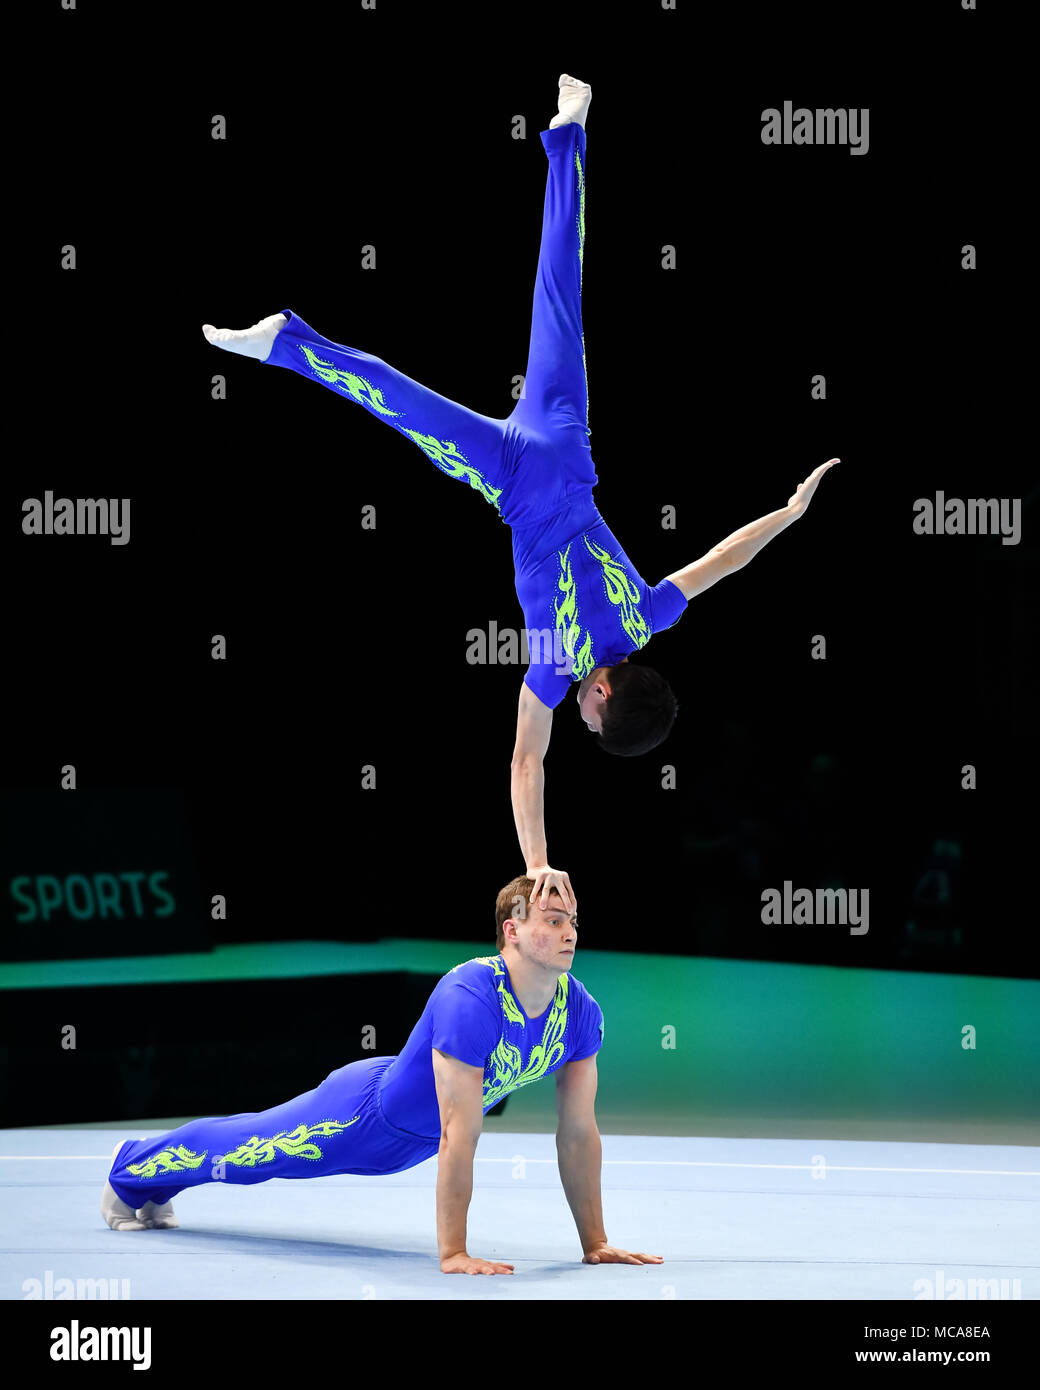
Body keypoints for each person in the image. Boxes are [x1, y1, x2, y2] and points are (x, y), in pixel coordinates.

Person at [202, 74, 838, 916]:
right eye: (594, 722)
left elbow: (724, 560)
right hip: (510, 470)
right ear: (605, 696)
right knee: (397, 401)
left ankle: (569, 131)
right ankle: (284, 343)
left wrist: (788, 517)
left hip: (565, 440)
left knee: (560, 283)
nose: (580, 719)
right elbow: (524, 766)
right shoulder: (551, 669)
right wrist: (538, 861)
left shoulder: (651, 615)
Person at [101, 876, 663, 1275]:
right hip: (360, 1116)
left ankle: (152, 1181)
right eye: (553, 920)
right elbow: (459, 1134)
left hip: (409, 1144)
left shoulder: (580, 1010)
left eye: (573, 922)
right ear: (511, 931)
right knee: (252, 1152)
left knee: (252, 1158)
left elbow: (578, 1133)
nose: (570, 933)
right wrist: (453, 1254)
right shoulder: (472, 994)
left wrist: (596, 1242)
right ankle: (132, 1174)